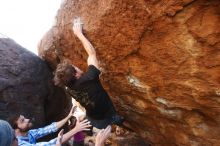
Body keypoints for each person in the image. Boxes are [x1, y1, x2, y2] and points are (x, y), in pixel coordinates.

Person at [53, 18, 124, 129]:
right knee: (112, 117)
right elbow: (91, 54)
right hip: (105, 115)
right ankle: (114, 118)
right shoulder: (89, 77)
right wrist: (79, 34)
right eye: (75, 67)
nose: (77, 66)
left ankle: (114, 120)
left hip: (93, 116)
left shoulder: (68, 88)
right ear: (76, 75)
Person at [9, 106, 91, 146]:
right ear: (16, 129)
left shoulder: (29, 133)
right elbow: (51, 144)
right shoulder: (20, 144)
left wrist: (69, 116)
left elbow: (49, 128)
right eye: (22, 121)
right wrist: (76, 129)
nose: (27, 120)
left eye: (24, 118)